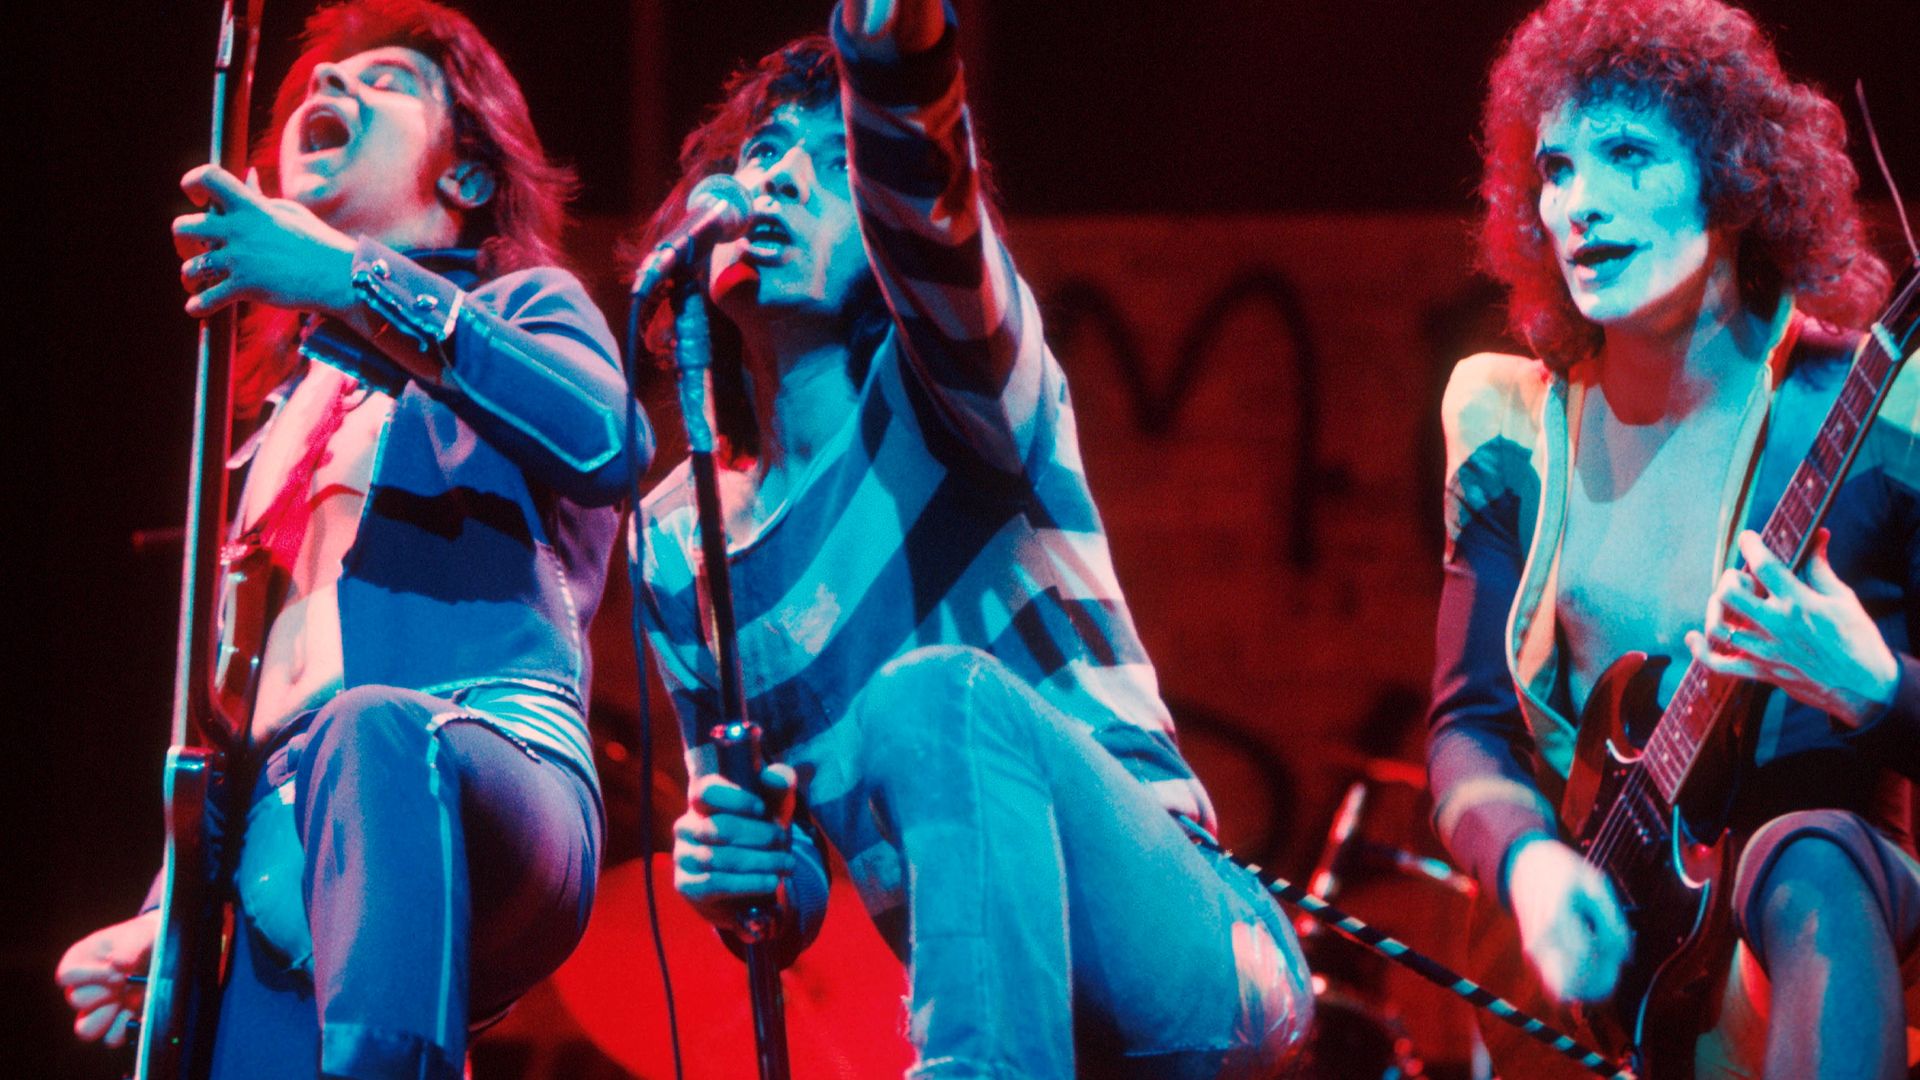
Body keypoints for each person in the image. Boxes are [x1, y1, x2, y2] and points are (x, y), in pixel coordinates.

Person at [633, 1, 1313, 1075]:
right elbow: (798, 883)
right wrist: (741, 870)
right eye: (766, 154)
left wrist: (886, 47)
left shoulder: (956, 392)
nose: (787, 182)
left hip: (1196, 959)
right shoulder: (677, 540)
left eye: (838, 162)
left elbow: (934, 217)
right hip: (1001, 1004)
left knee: (929, 693)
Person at [53, 2, 641, 1077]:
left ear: (464, 177)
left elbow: (606, 440)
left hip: (486, 758)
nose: (334, 89)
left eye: (386, 82)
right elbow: (251, 694)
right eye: (320, 84)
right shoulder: (275, 424)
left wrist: (350, 279)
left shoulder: (525, 307)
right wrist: (170, 902)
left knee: (372, 734)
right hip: (289, 842)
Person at [1426, 0, 1918, 1075]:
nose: (1581, 203)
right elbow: (1467, 724)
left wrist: (1879, 692)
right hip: (1595, 968)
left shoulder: (1888, 413)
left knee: (1812, 851)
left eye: (1630, 154)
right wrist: (1528, 868)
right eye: (1556, 169)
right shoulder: (1506, 422)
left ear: (1737, 182)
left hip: (1795, 938)